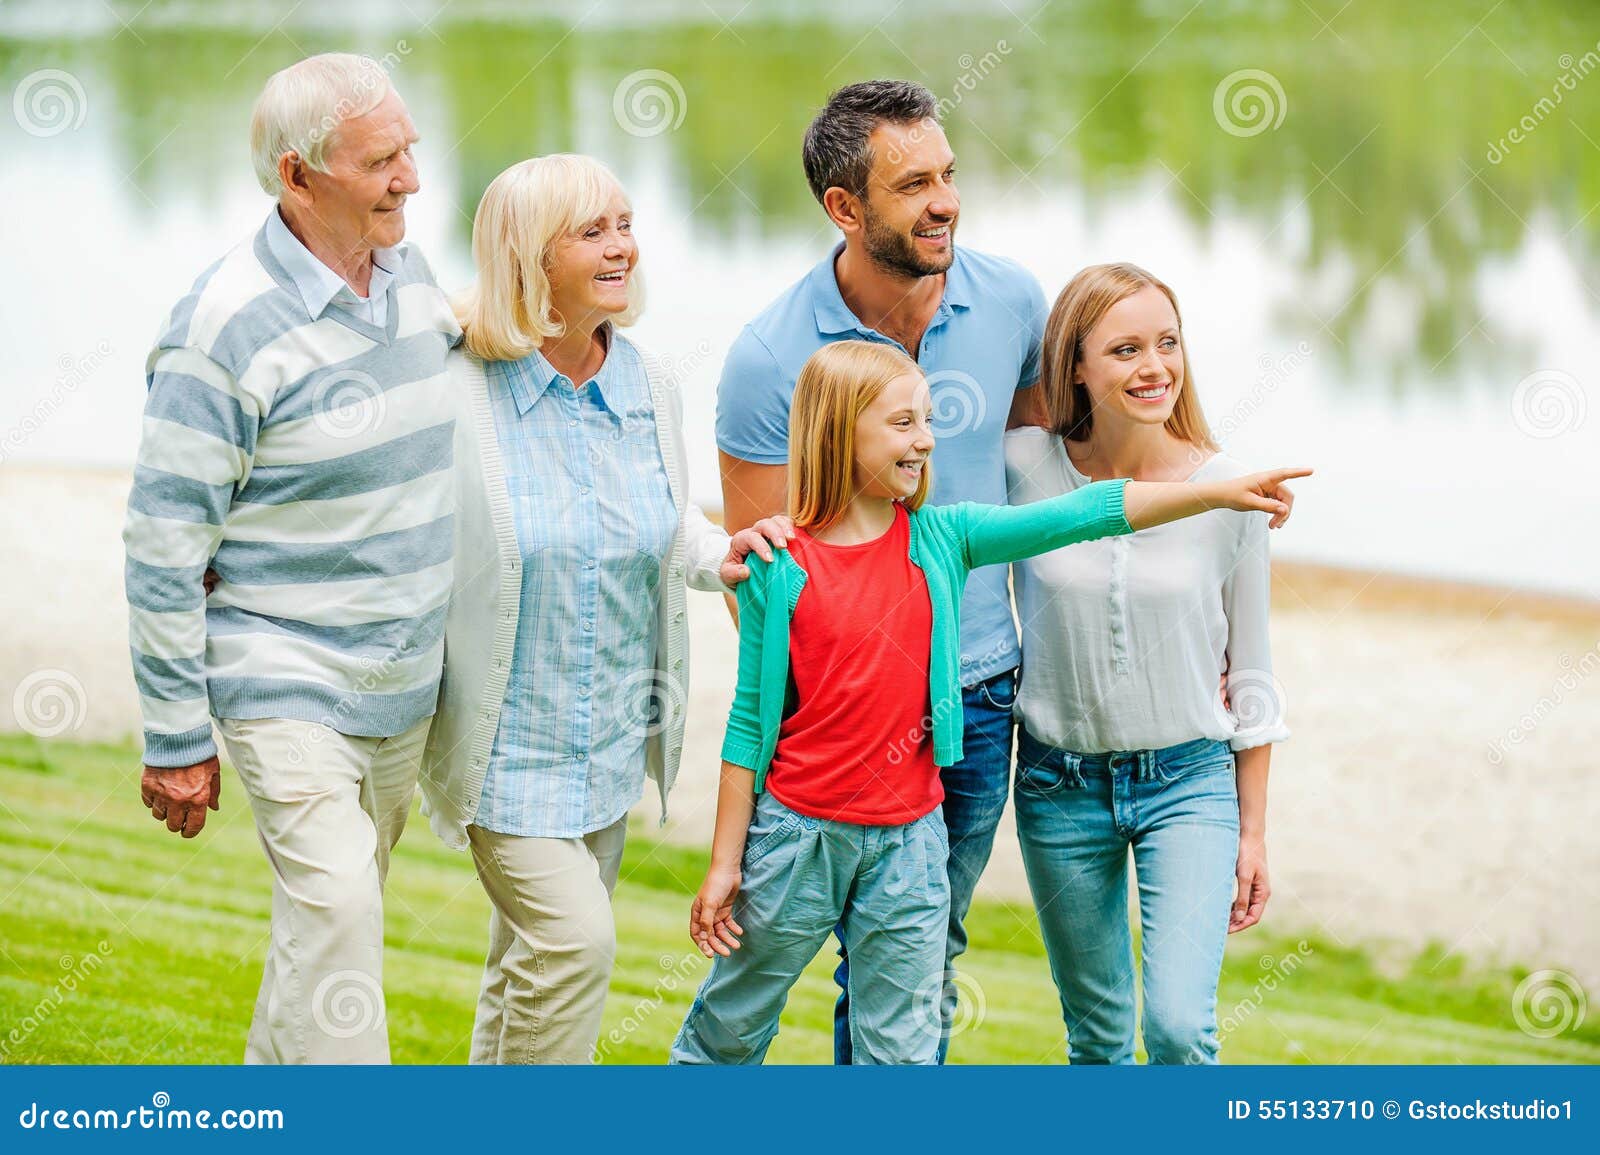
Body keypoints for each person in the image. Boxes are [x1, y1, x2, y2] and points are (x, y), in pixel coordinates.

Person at [671, 339, 1309, 1064]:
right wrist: (726, 864)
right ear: (840, 431)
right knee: (731, 1026)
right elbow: (749, 728)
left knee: (902, 1051)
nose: (926, 439)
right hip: (796, 842)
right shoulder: (776, 567)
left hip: (910, 846)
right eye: (902, 422)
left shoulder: (945, 537)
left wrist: (1215, 491)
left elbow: (1090, 511)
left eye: (928, 418)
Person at [417, 154, 792, 1064]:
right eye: (593, 231)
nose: (623, 246)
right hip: (504, 751)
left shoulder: (647, 383)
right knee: (576, 947)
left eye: (625, 224)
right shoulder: (457, 382)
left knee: (525, 966)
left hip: (610, 745)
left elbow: (668, 529)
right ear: (527, 255)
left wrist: (723, 553)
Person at [124, 53, 461, 1063]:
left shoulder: (415, 276)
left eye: (409, 149)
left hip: (400, 686)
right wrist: (176, 735)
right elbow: (162, 541)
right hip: (282, 675)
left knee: (326, 937)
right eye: (381, 160)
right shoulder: (223, 329)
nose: (411, 178)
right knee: (342, 916)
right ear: (298, 177)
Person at [715, 78, 1048, 1063]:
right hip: (834, 722)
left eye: (947, 175)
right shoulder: (770, 357)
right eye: (913, 185)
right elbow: (759, 576)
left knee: (919, 949)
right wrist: (832, 719)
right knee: (770, 952)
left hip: (978, 699)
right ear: (844, 208)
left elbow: (1033, 485)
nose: (944, 200)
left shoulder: (1015, 302)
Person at [1006, 263, 1293, 1064]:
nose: (1155, 366)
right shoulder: (1023, 466)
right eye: (1126, 348)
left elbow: (1256, 673)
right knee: (1097, 1039)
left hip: (1190, 783)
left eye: (1167, 343)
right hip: (1058, 789)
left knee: (1176, 1026)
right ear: (1076, 367)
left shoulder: (1230, 489)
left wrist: (1255, 831)